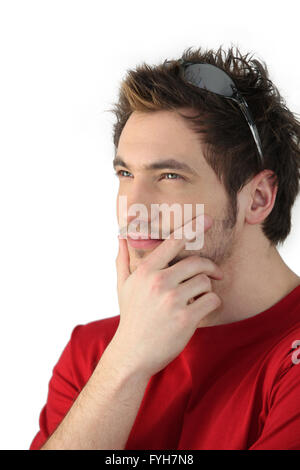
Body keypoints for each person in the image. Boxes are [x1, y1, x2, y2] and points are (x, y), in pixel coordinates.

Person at [29, 45, 300, 450]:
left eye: (170, 175)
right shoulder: (98, 352)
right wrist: (124, 364)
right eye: (125, 172)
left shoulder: (288, 362)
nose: (133, 208)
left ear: (258, 198)